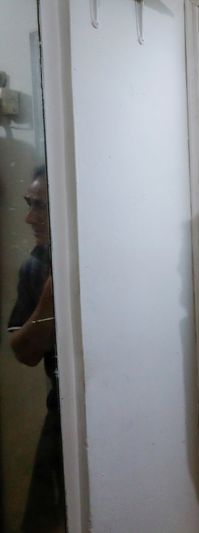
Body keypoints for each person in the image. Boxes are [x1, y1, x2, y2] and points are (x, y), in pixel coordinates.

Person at [8, 165, 66, 532]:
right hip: (60, 413)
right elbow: (24, 353)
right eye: (29, 204)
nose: (30, 217)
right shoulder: (35, 265)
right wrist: (47, 303)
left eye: (41, 206)